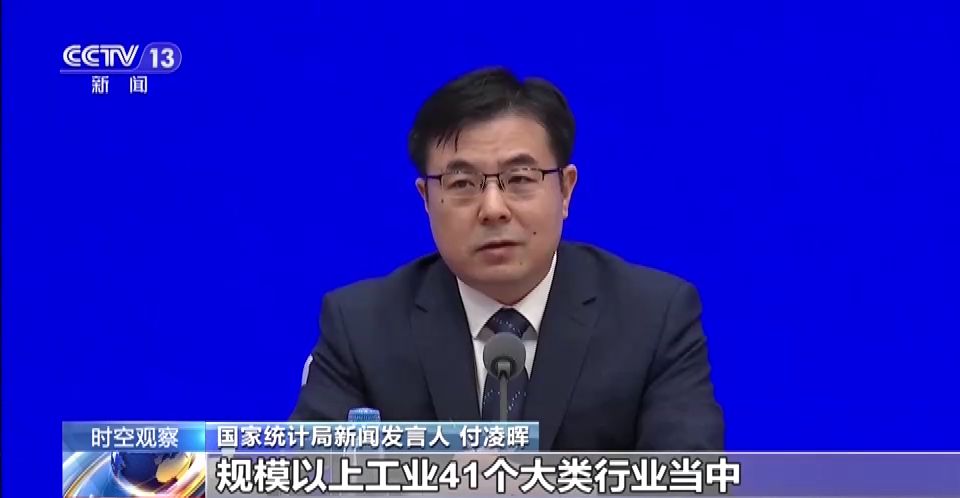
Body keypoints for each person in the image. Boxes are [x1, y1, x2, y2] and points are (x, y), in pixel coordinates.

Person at [291, 66, 724, 451]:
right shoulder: (361, 327)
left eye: (519, 178)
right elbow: (311, 480)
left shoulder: (654, 318)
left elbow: (688, 479)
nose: (493, 208)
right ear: (426, 199)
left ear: (565, 190)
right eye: (463, 184)